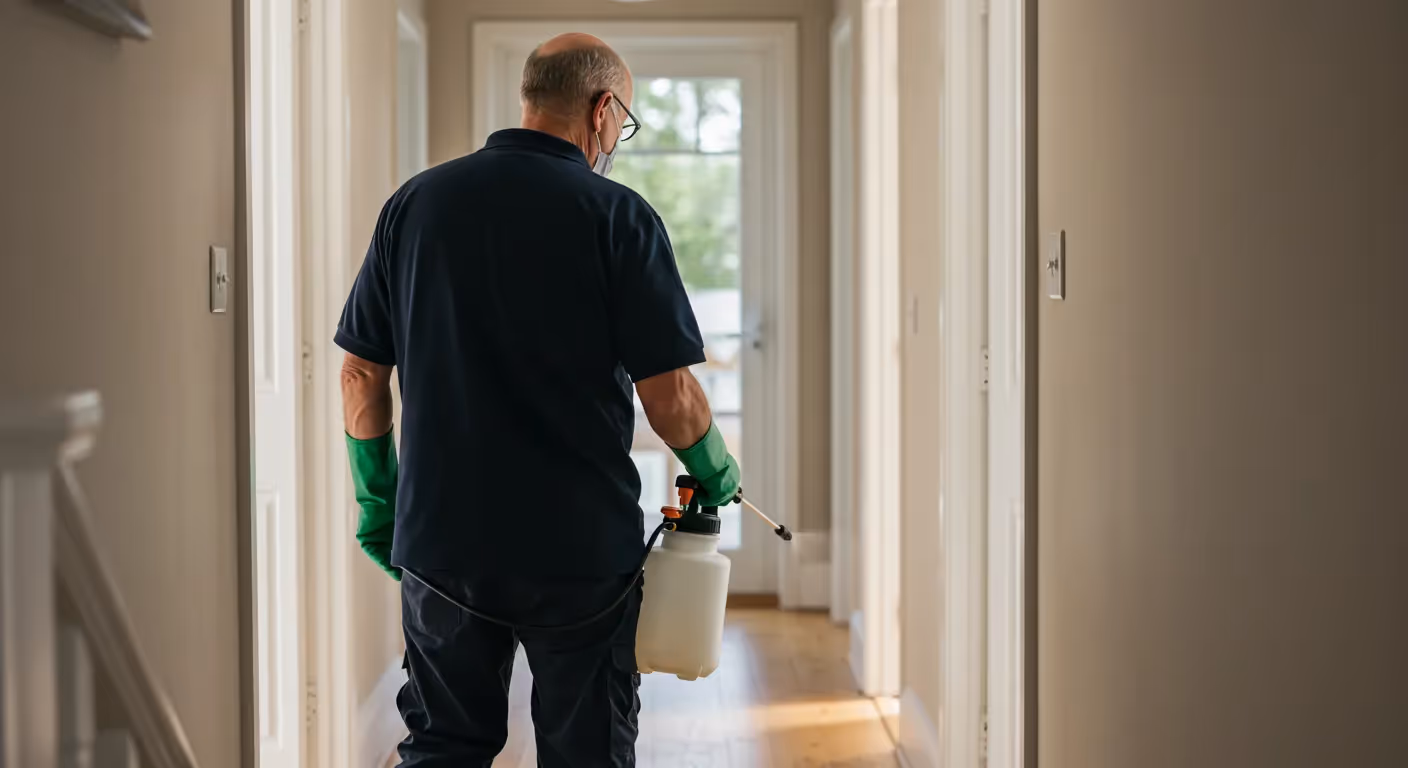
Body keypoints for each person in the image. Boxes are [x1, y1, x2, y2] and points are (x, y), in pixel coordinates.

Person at [335, 33, 741, 767]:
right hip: (579, 553)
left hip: (443, 543)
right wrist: (715, 468)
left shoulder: (416, 205)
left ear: (530, 97)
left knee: (443, 745)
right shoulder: (620, 216)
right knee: (587, 749)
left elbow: (361, 373)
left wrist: (378, 500)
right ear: (603, 109)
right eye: (624, 120)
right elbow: (671, 394)